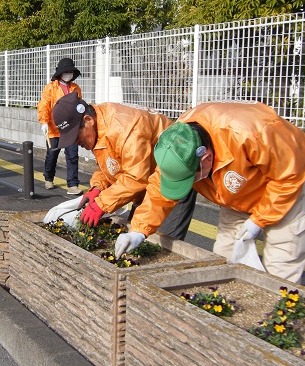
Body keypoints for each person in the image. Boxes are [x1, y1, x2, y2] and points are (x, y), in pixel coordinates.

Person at [115, 101, 305, 283]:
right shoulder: (176, 145)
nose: (189, 184)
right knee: (225, 253)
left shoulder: (252, 132)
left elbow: (289, 175)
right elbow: (159, 191)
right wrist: (138, 232)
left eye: (189, 179)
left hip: (286, 178)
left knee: (282, 258)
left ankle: (280, 310)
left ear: (206, 158)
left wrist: (259, 219)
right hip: (238, 187)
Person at [42, 92, 197, 238]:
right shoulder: (101, 123)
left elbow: (136, 178)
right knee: (133, 236)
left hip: (173, 180)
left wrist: (102, 204)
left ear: (88, 120)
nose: (75, 142)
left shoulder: (125, 129)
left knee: (160, 244)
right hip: (146, 183)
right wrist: (98, 187)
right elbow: (111, 163)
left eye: (76, 136)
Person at [38, 58, 83, 195]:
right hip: (54, 127)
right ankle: (49, 178)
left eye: (70, 72)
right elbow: (44, 105)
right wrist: (44, 121)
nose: (68, 74)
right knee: (52, 154)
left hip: (71, 128)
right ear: (60, 73)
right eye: (66, 72)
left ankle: (73, 184)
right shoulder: (51, 87)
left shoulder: (75, 88)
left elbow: (79, 106)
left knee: (72, 156)